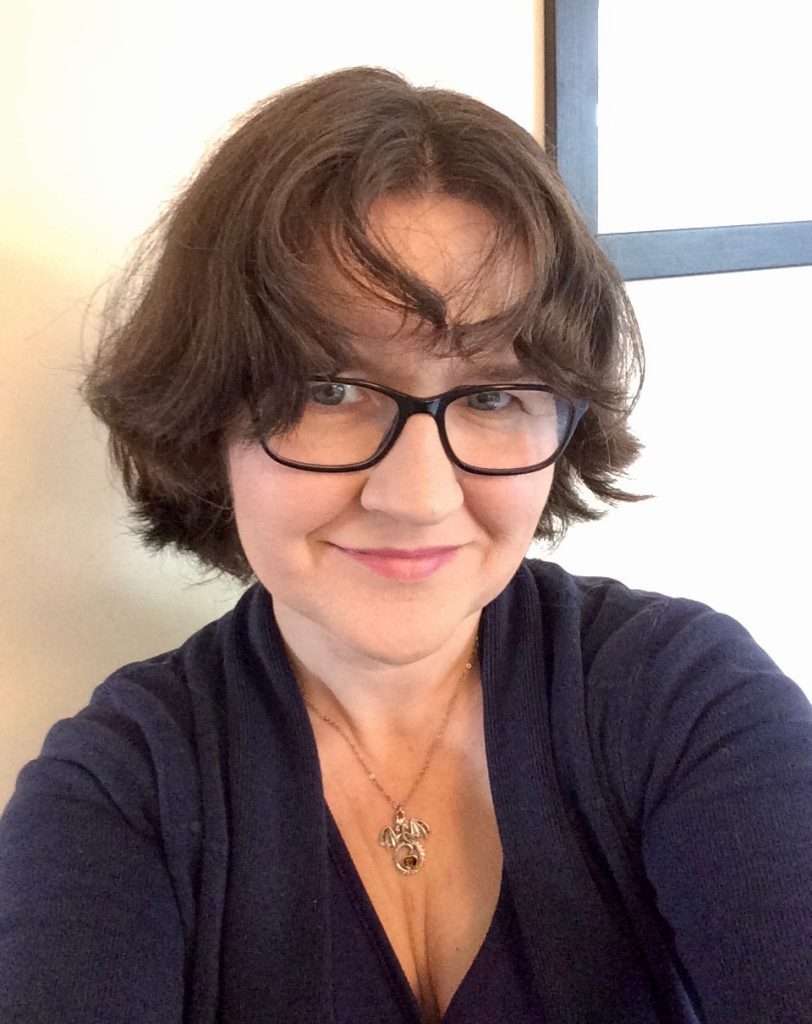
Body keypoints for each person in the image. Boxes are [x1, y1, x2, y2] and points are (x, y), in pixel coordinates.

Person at [1, 66, 810, 1024]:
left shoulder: (682, 699)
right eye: (327, 390)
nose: (419, 497)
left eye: (496, 392)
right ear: (207, 413)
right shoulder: (122, 790)